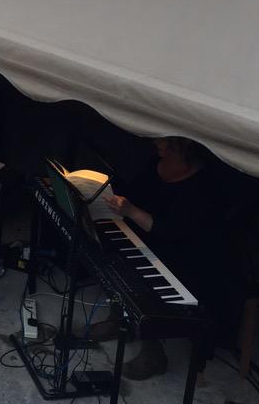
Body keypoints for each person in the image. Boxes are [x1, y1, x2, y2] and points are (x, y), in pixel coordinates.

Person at [93, 136, 245, 380]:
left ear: (184, 147)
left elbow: (173, 231)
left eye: (166, 143)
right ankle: (118, 319)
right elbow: (135, 192)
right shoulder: (157, 163)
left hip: (188, 253)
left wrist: (131, 211)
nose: (158, 146)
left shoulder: (205, 187)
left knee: (147, 279)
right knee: (111, 251)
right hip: (148, 237)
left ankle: (153, 352)